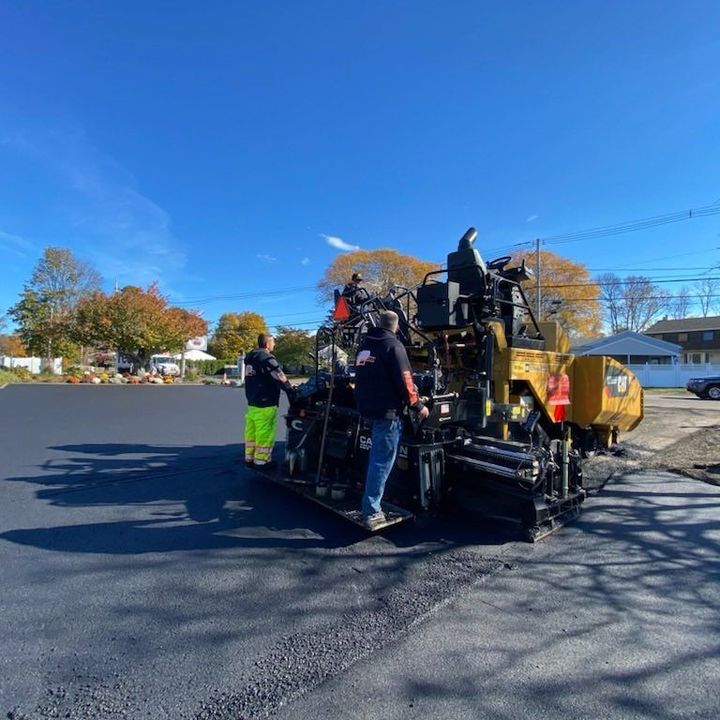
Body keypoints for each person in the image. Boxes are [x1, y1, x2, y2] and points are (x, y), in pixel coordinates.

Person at [354, 310, 430, 529]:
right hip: (388, 412)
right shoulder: (394, 346)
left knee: (375, 455)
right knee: (381, 459)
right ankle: (372, 511)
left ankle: (369, 495)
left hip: (366, 407)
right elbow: (406, 381)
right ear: (396, 326)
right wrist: (418, 405)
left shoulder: (365, 346)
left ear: (379, 323)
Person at [244, 333, 295, 466]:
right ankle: (261, 460)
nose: (274, 345)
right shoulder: (266, 358)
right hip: (266, 401)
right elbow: (279, 376)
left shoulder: (250, 358)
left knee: (252, 430)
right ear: (267, 344)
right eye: (273, 343)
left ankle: (249, 456)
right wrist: (290, 389)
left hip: (253, 401)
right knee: (265, 431)